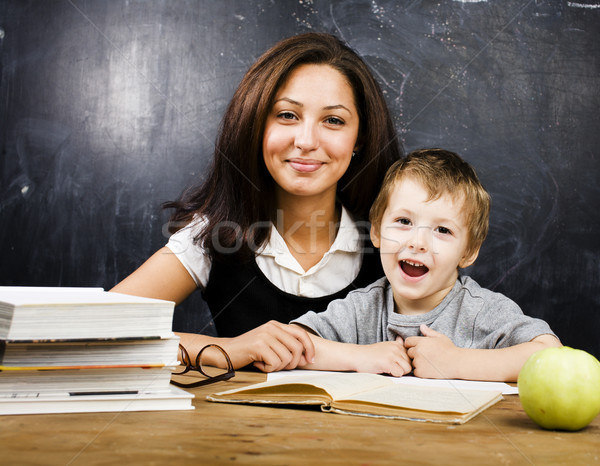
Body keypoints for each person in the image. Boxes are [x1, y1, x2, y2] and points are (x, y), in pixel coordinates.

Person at [111, 32, 402, 372]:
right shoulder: (213, 234)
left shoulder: (399, 239)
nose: (306, 141)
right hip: (237, 426)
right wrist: (226, 350)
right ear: (256, 125)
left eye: (333, 121)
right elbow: (97, 329)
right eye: (287, 115)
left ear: (359, 140)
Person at [291, 148, 562, 382]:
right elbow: (288, 343)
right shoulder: (363, 309)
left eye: (442, 230)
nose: (418, 242)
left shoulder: (479, 311)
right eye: (404, 222)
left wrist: (456, 362)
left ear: (467, 251)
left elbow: (551, 355)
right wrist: (360, 356)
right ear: (375, 232)